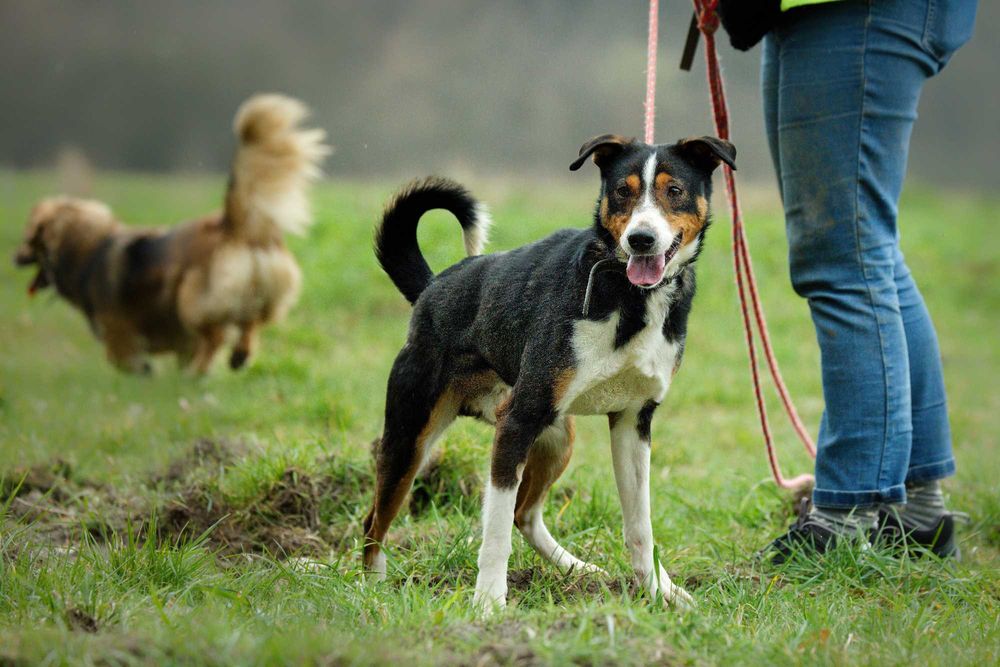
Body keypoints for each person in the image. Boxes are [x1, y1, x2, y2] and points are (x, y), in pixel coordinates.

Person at [721, 0, 978, 561]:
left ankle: (844, 517)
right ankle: (918, 515)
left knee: (843, 254)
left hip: (859, 9)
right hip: (812, 12)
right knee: (864, 249)